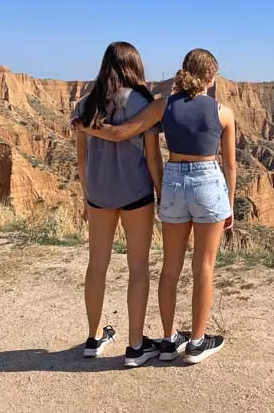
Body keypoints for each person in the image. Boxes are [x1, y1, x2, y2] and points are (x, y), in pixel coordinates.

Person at [75, 48, 236, 365]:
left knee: (163, 268)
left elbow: (113, 139)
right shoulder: (221, 111)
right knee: (198, 267)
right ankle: (188, 343)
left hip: (144, 186)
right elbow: (229, 167)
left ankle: (162, 339)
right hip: (185, 187)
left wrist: (84, 126)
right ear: (211, 78)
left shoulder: (156, 106)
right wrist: (227, 205)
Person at [73, 41, 163, 368]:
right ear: (133, 66)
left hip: (98, 195)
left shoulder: (85, 104)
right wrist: (162, 192)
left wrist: (86, 196)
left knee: (96, 265)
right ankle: (136, 346)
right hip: (135, 195)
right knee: (138, 268)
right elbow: (152, 158)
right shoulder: (142, 103)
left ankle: (93, 338)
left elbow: (81, 159)